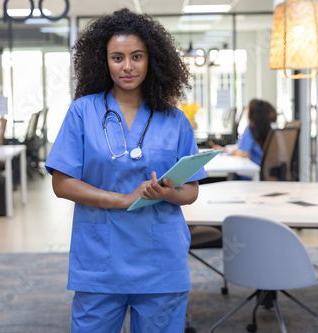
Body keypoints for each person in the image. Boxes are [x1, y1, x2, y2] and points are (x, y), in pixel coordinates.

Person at [44, 8, 206, 333]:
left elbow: (191, 191)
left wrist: (167, 192)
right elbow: (62, 184)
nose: (127, 67)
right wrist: (123, 199)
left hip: (160, 261)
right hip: (99, 260)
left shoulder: (175, 120)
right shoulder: (82, 112)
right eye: (117, 57)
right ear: (103, 61)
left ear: (152, 60)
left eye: (137, 56)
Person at [212, 99, 277, 166]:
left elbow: (243, 153)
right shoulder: (272, 128)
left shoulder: (251, 129)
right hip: (269, 170)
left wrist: (230, 151)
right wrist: (225, 149)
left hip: (254, 169)